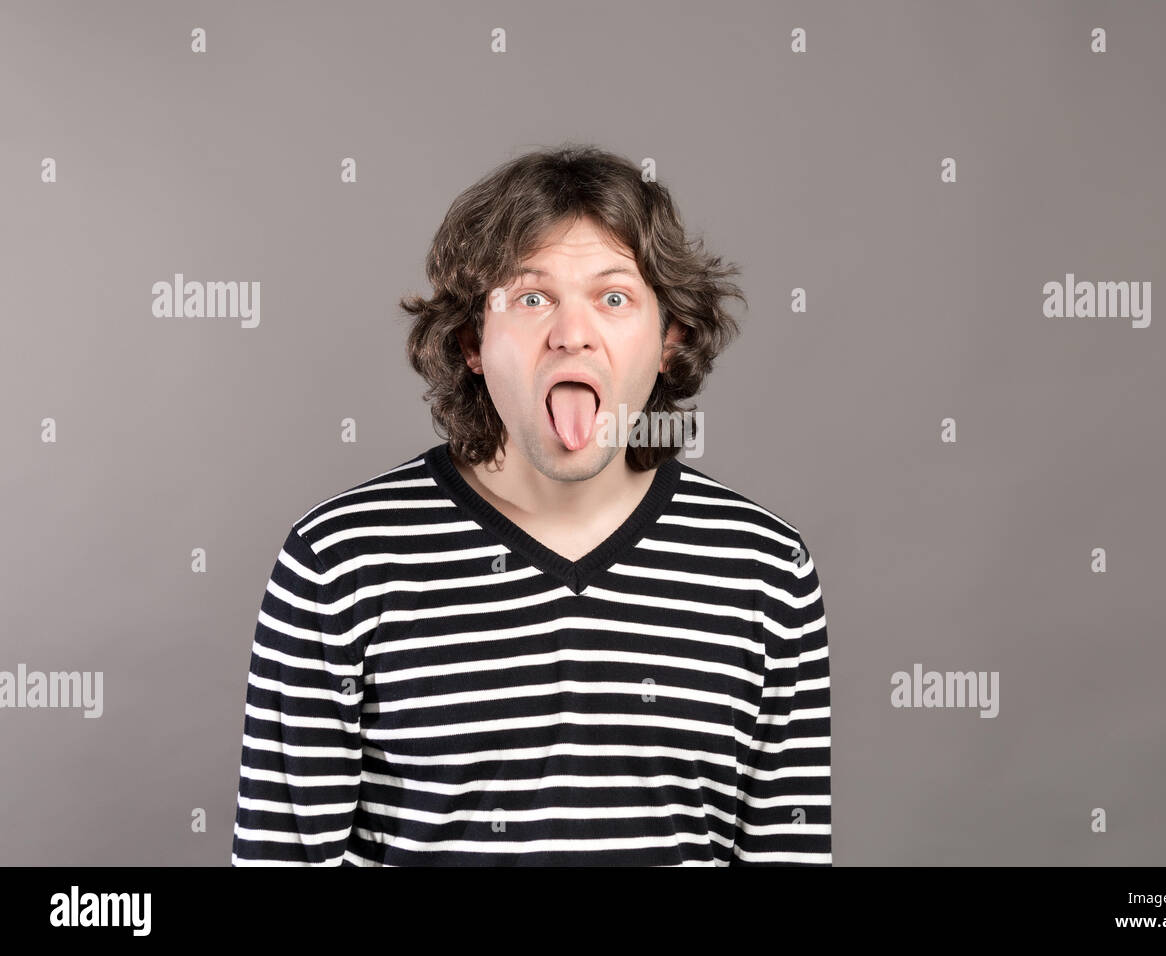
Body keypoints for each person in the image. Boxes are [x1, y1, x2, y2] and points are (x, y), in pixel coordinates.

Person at [230, 145, 831, 865]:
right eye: (531, 297)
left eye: (614, 297)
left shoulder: (765, 572)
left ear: (670, 340)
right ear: (472, 343)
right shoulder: (339, 563)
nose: (572, 333)